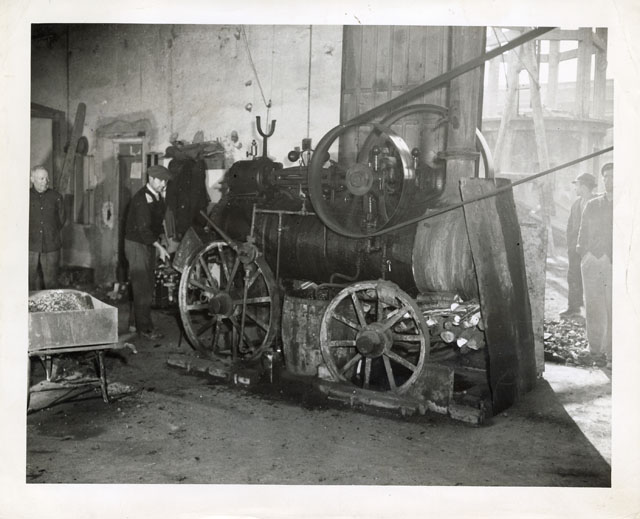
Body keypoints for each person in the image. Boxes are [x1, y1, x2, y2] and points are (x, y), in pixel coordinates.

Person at [124, 165, 172, 340]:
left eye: (165, 181)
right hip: (137, 245)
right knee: (143, 287)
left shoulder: (157, 197)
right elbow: (144, 230)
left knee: (144, 284)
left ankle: (134, 323)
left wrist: (163, 240)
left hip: (146, 244)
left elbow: (157, 223)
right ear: (151, 179)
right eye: (161, 181)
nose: (163, 184)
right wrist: (160, 247)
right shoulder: (141, 198)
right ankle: (145, 329)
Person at [576, 162, 613, 366]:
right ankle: (595, 350)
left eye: (613, 176)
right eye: (606, 176)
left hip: (613, 263)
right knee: (593, 306)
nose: (609, 180)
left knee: (613, 307)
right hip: (591, 261)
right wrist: (585, 255)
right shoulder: (593, 204)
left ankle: (612, 353)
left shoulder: (628, 204)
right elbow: (582, 232)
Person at [560, 172, 596, 318]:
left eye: (577, 185)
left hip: (592, 250)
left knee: (592, 279)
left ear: (584, 186)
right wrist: (570, 245)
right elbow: (570, 226)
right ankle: (574, 307)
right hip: (575, 249)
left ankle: (593, 312)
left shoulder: (598, 202)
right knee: (573, 277)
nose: (575, 188)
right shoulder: (576, 204)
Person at [29, 166, 66, 290]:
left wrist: (50, 231)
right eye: (41, 178)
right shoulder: (25, 197)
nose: (45, 181)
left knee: (51, 283)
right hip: (30, 247)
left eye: (46, 178)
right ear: (32, 179)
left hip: (51, 246)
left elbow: (61, 219)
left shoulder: (56, 196)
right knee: (29, 282)